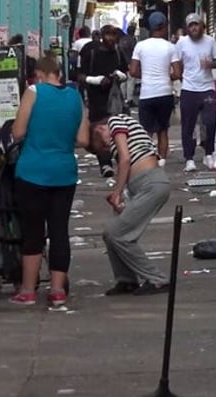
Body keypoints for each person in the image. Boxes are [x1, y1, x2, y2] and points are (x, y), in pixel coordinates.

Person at [9, 54, 89, 307]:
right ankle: (56, 291)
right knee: (59, 231)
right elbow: (84, 140)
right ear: (60, 74)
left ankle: (28, 291)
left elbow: (18, 132)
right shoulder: (76, 97)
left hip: (32, 171)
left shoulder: (34, 91)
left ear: (40, 75)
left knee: (33, 232)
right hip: (64, 172)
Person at [89, 113, 170, 296]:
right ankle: (126, 280)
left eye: (103, 144)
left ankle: (157, 279)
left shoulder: (115, 121)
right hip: (144, 184)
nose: (107, 147)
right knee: (111, 233)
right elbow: (127, 167)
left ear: (100, 129)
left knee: (117, 233)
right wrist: (121, 198)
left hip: (151, 182)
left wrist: (116, 192)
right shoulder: (125, 135)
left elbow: (125, 159)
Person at [130, 12, 183, 167]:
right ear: (164, 26)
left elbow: (133, 71)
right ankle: (162, 161)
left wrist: (145, 75)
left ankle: (145, 159)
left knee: (146, 131)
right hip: (165, 93)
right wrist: (167, 77)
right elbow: (178, 73)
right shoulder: (170, 47)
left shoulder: (140, 46)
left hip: (147, 94)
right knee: (163, 130)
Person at [78, 22, 130, 177]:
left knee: (115, 131)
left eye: (113, 35)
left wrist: (120, 76)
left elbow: (125, 72)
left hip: (114, 100)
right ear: (101, 36)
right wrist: (95, 80)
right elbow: (78, 75)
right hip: (96, 100)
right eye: (108, 34)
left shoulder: (118, 53)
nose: (111, 38)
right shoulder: (90, 52)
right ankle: (105, 163)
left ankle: (117, 160)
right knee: (98, 132)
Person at [176, 13, 216, 172]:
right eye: (191, 25)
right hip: (189, 89)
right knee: (188, 125)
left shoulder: (210, 41)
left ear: (202, 26)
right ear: (187, 28)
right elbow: (177, 63)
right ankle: (189, 158)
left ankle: (209, 153)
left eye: (196, 24)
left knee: (211, 122)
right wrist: (181, 81)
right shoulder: (182, 43)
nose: (194, 28)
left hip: (207, 88)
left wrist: (210, 64)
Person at [119, 23, 140, 107]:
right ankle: (129, 99)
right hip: (131, 63)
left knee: (123, 81)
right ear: (133, 31)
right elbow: (135, 53)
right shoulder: (132, 40)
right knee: (131, 81)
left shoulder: (122, 40)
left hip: (122, 63)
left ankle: (123, 98)